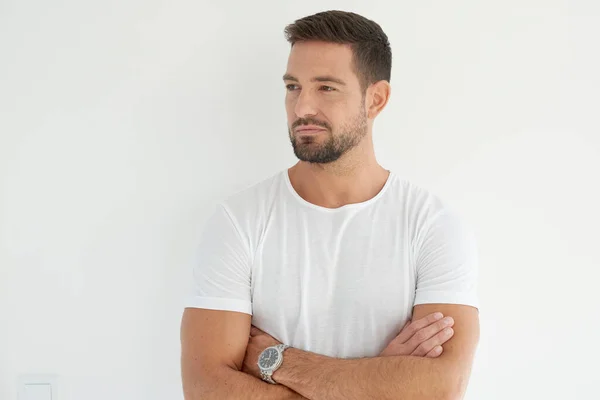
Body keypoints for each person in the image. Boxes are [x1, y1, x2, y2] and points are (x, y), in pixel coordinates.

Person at [181, 10, 479, 400]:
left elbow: (441, 388)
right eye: (293, 87)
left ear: (376, 99)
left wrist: (276, 361)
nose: (302, 107)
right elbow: (206, 388)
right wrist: (382, 381)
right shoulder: (239, 221)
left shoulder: (432, 226)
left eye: (326, 88)